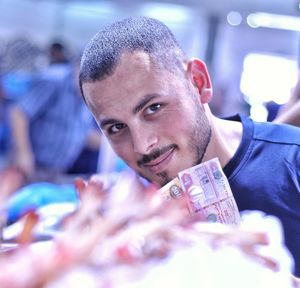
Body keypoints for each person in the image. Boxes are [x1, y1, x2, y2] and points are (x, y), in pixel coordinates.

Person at [79, 16, 300, 277]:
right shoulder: (130, 213)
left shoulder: (291, 162)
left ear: (198, 82)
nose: (142, 146)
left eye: (154, 108)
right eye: (117, 128)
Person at [9, 58, 101, 181]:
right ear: (79, 68)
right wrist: (23, 153)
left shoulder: (88, 97)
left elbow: (81, 133)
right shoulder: (54, 81)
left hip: (57, 171)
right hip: (31, 167)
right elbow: (19, 113)